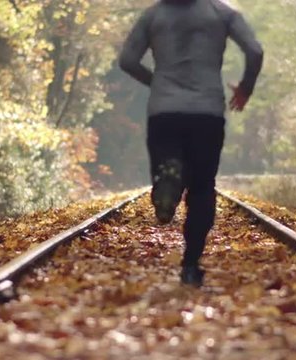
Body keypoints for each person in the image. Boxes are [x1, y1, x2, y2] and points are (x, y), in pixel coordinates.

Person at [119, 0, 263, 287]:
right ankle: (190, 265)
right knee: (202, 187)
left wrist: (158, 81)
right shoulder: (222, 12)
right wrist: (245, 88)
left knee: (167, 166)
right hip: (206, 112)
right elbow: (255, 50)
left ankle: (168, 182)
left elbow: (127, 60)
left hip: (164, 111)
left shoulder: (153, 15)